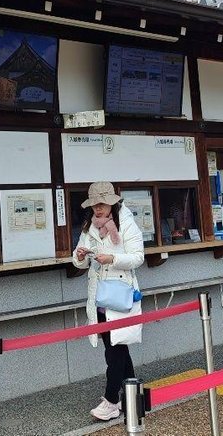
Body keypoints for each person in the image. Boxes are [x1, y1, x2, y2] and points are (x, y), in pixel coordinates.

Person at [71, 181, 144, 422]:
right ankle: (134, 395)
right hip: (99, 296)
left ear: (112, 202)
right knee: (116, 348)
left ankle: (111, 400)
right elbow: (78, 260)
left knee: (115, 351)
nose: (98, 209)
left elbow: (137, 257)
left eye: (102, 204)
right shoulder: (88, 226)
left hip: (120, 295)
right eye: (94, 205)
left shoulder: (126, 222)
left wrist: (111, 258)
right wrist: (81, 256)